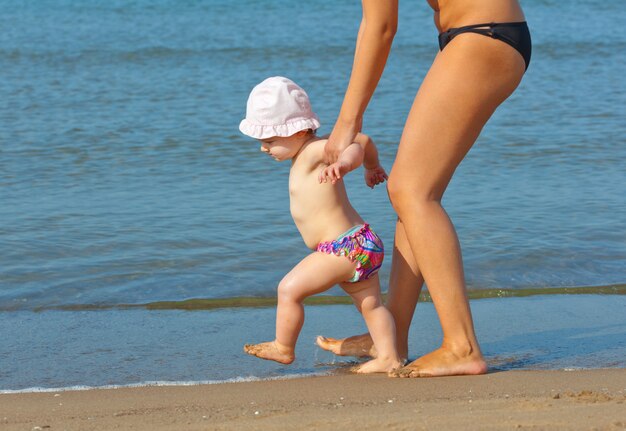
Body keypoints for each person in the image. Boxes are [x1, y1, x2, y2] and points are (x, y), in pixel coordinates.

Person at [316, 0, 532, 377]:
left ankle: (462, 347)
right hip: (484, 34)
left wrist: (348, 122)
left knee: (413, 192)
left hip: (482, 35)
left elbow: (380, 26)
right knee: (409, 191)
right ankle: (391, 339)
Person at [239, 76, 403, 373]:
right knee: (370, 305)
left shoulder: (315, 151)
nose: (264, 148)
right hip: (359, 243)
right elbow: (364, 142)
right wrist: (372, 166)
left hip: (344, 248)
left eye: (270, 140)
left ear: (299, 131)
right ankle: (387, 354)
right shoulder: (303, 153)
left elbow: (355, 145)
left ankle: (283, 347)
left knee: (289, 290)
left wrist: (347, 164)